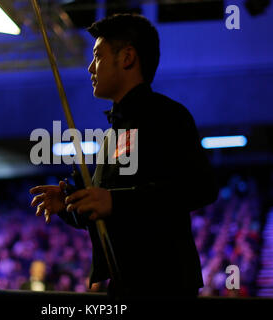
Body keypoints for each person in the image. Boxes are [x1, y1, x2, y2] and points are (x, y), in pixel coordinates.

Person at [30, 13, 218, 299]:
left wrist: (116, 201)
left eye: (98, 56)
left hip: (165, 286)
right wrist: (68, 204)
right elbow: (103, 212)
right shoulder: (113, 135)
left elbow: (200, 188)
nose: (90, 68)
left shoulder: (166, 115)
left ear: (127, 57)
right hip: (123, 284)